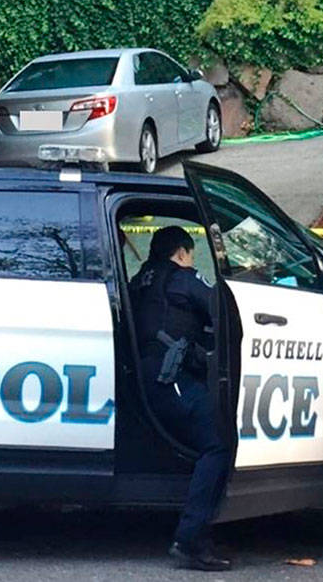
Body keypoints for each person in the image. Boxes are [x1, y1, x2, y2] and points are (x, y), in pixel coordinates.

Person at [129, 225, 231, 571]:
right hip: (167, 377)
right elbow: (222, 308)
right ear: (182, 254)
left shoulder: (140, 280)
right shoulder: (183, 279)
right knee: (217, 443)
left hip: (142, 377)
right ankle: (190, 539)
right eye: (191, 255)